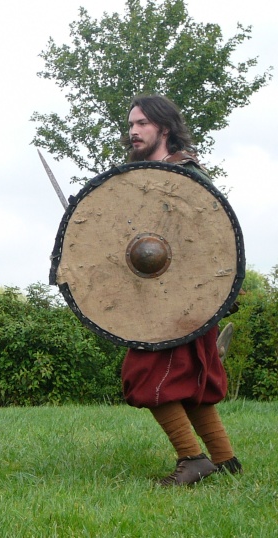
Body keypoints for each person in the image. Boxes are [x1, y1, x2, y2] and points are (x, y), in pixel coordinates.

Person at [120, 94, 242, 486]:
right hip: (157, 299)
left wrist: (220, 294)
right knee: (190, 381)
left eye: (141, 124)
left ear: (164, 128)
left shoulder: (187, 176)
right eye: (131, 124)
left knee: (143, 374)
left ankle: (193, 459)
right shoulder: (141, 177)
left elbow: (215, 238)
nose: (133, 131)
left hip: (188, 300)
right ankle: (225, 459)